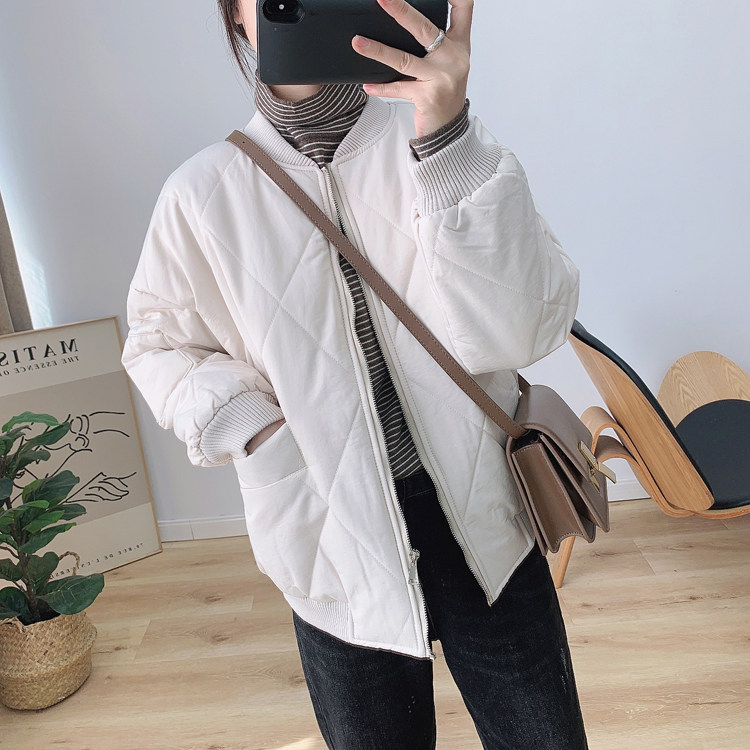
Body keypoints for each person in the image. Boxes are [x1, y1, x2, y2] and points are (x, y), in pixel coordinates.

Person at [121, 0, 588, 747]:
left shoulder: (437, 136)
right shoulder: (201, 195)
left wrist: (449, 139)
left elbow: (527, 328)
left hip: (484, 512)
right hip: (330, 533)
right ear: (235, 17)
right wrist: (255, 428)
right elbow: (156, 344)